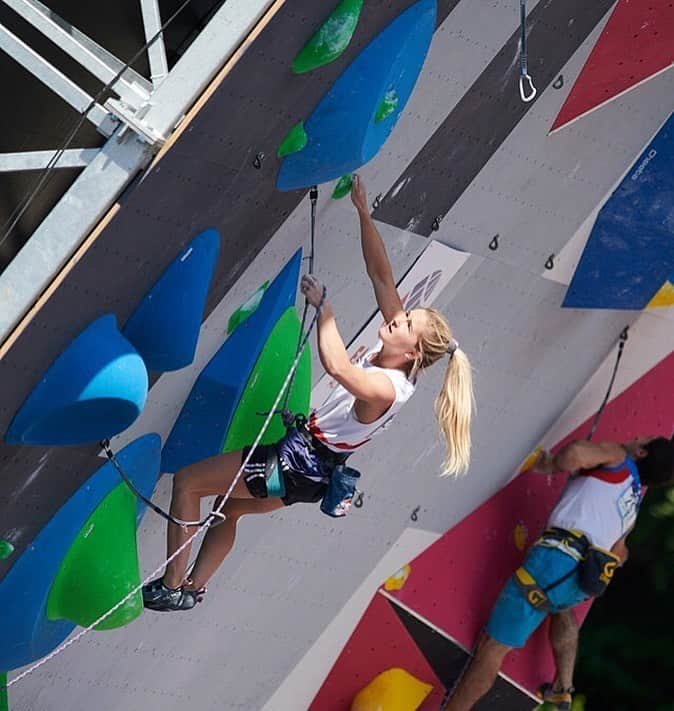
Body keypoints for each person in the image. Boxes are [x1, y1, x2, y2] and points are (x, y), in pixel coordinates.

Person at [142, 175, 474, 612]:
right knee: (231, 509)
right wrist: (363, 213)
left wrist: (325, 309)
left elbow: (336, 366)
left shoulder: (386, 387)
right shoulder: (398, 351)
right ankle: (194, 589)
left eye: (405, 323)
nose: (396, 317)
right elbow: (381, 274)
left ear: (412, 350)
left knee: (188, 483)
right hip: (308, 473)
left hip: (294, 462)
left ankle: (171, 585)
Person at [443, 434, 674, 711]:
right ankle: (563, 688)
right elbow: (620, 554)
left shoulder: (617, 458)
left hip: (556, 560)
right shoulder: (632, 505)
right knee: (558, 606)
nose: (637, 437)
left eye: (642, 440)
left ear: (641, 452)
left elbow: (575, 454)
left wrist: (551, 465)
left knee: (492, 647)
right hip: (578, 581)